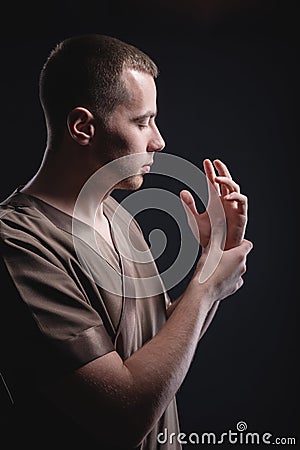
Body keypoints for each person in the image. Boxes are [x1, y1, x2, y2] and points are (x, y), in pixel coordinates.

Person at [0, 34, 252, 449]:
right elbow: (122, 418)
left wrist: (212, 258)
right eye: (142, 122)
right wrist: (206, 289)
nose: (158, 140)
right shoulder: (19, 244)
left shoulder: (117, 215)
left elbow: (155, 351)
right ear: (83, 127)